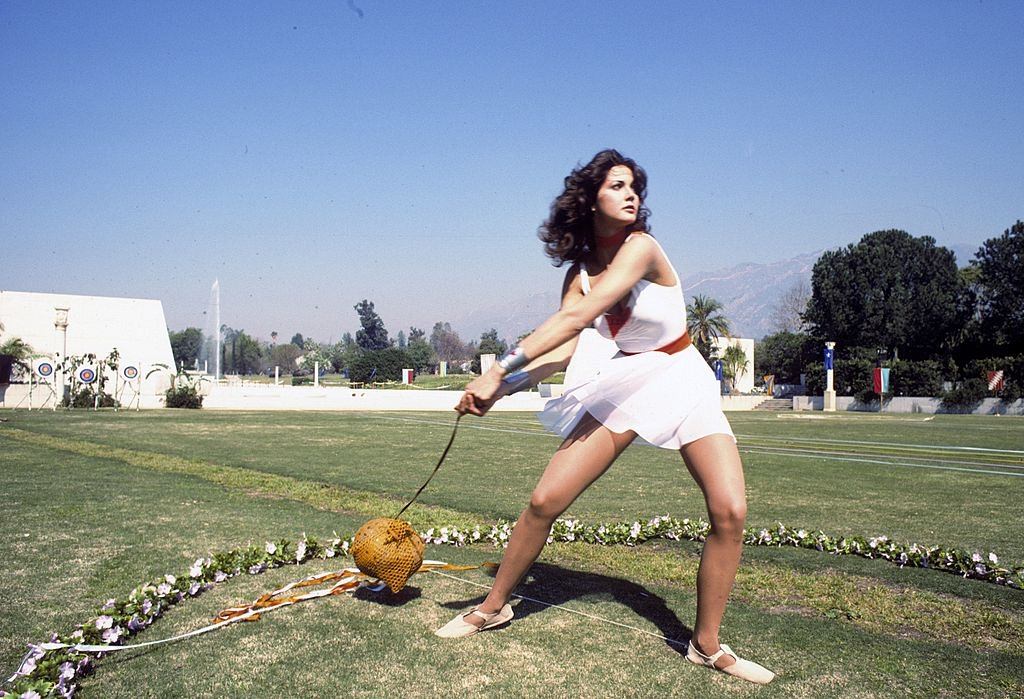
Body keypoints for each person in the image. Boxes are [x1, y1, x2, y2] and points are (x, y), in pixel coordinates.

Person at [435, 150, 774, 685]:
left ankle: (706, 646)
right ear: (591, 197)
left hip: (683, 375)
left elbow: (576, 316)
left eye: (635, 185)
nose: (632, 193)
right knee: (546, 500)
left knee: (730, 510)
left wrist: (496, 369)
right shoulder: (580, 274)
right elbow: (567, 346)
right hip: (629, 382)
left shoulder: (642, 249)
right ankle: (494, 605)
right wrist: (502, 389)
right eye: (618, 185)